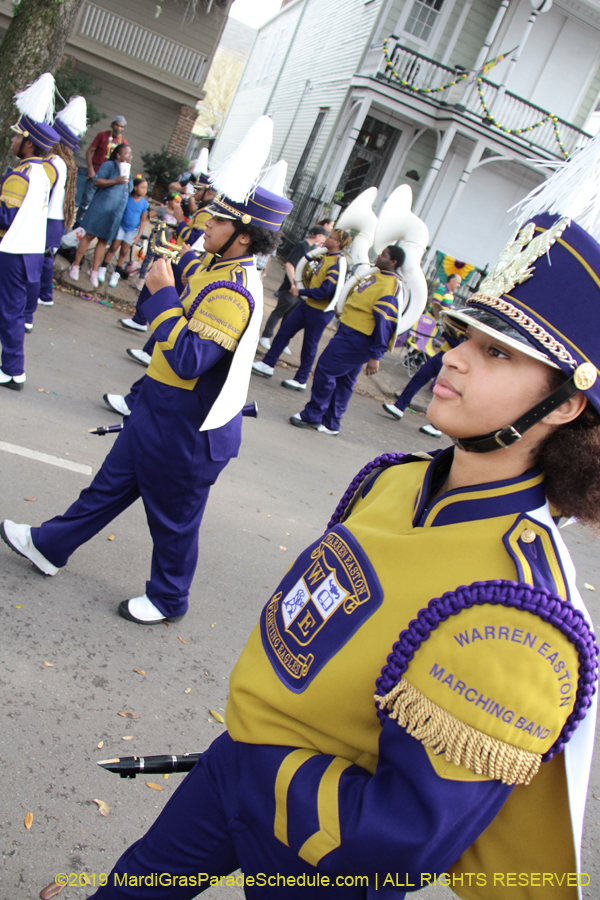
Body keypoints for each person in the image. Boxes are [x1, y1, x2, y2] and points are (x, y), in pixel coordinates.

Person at [59, 167, 600, 896]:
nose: (454, 356)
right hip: (234, 766)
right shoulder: (393, 479)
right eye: (464, 335)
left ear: (565, 405)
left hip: (321, 854)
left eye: (498, 352)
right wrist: (243, 754)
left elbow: (406, 837)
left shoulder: (519, 610)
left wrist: (260, 767)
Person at [1, 116, 292, 628]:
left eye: (219, 221)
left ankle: (169, 599)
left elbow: (188, 358)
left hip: (188, 426)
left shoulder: (234, 290)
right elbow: (172, 292)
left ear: (244, 238)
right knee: (107, 488)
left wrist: (162, 294)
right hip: (160, 407)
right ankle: (49, 546)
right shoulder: (214, 266)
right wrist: (164, 273)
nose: (206, 222)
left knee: (174, 520)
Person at [290, 245, 404, 435]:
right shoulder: (378, 276)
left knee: (325, 369)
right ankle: (331, 423)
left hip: (358, 337)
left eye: (384, 255)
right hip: (350, 332)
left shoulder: (390, 284)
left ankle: (313, 415)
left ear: (393, 262)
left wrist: (376, 354)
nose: (379, 256)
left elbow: (385, 321)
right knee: (344, 380)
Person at [0, 74, 59, 390]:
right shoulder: (42, 173)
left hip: (12, 250)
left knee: (10, 312)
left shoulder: (19, 175)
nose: (12, 141)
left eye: (16, 136)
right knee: (11, 310)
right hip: (29, 250)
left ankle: (12, 370)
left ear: (29, 143)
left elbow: (6, 217)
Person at [252, 228, 351, 390]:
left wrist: (301, 292)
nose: (326, 238)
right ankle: (268, 363)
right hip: (308, 305)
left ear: (337, 243)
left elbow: (325, 291)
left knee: (309, 345)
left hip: (320, 311)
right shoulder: (327, 257)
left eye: (331, 237)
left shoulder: (336, 263)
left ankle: (301, 379)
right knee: (284, 331)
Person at [24, 95, 88, 329]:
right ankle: (44, 295)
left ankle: (37, 301)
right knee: (44, 260)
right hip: (57, 219)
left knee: (38, 262)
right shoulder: (66, 162)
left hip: (48, 218)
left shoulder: (53, 162)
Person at [69, 143, 133, 287]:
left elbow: (128, 190)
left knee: (103, 241)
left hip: (114, 213)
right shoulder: (109, 165)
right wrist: (114, 181)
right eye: (127, 153)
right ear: (118, 155)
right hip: (101, 208)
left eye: (131, 154)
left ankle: (94, 271)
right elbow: (97, 181)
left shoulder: (128, 171)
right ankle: (75, 265)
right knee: (89, 235)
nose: (130, 157)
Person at [258, 225, 328, 350]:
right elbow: (290, 264)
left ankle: (281, 341)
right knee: (280, 312)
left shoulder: (312, 249)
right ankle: (266, 336)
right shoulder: (302, 246)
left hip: (299, 290)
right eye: (324, 236)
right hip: (291, 288)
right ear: (318, 236)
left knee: (289, 316)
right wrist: (293, 283)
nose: (325, 239)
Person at [74, 116, 128, 227]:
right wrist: (90, 169)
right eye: (117, 125)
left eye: (121, 126)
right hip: (95, 174)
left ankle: (88, 228)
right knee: (86, 203)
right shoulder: (102, 136)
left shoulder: (123, 143)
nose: (118, 128)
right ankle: (77, 227)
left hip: (109, 180)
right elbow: (89, 151)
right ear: (112, 125)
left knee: (100, 206)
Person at [382, 347, 447, 438]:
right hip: (442, 355)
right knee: (419, 377)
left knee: (444, 392)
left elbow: (459, 342)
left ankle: (436, 426)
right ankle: (399, 407)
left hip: (453, 362)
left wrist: (449, 338)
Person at [99, 176, 149, 288]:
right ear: (135, 187)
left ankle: (116, 273)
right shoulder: (127, 198)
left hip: (132, 230)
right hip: (121, 227)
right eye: (142, 187)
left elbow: (143, 220)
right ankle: (103, 267)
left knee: (124, 251)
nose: (145, 190)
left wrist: (139, 234)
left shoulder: (144, 204)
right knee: (113, 247)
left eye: (146, 188)